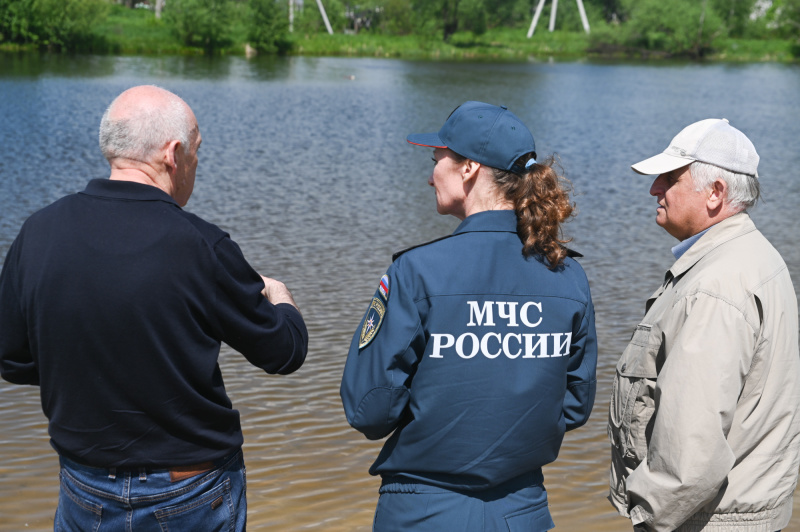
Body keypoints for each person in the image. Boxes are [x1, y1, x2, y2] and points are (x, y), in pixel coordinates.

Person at [0, 85, 308, 531]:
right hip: (190, 490)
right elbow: (284, 353)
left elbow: (12, 359)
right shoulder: (202, 245)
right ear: (174, 153)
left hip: (84, 484)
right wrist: (280, 296)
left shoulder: (38, 232)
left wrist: (85, 368)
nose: (197, 165)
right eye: (198, 152)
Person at [340, 101, 597, 531]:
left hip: (424, 511)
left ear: (468, 168)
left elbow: (369, 409)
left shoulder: (417, 271)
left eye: (436, 158)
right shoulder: (567, 275)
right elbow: (574, 404)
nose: (429, 174)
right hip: (524, 512)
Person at [608, 118, 800, 531]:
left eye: (669, 178)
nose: (654, 189)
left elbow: (689, 453)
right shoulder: (753, 257)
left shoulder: (716, 287)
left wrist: (647, 519)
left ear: (715, 193)